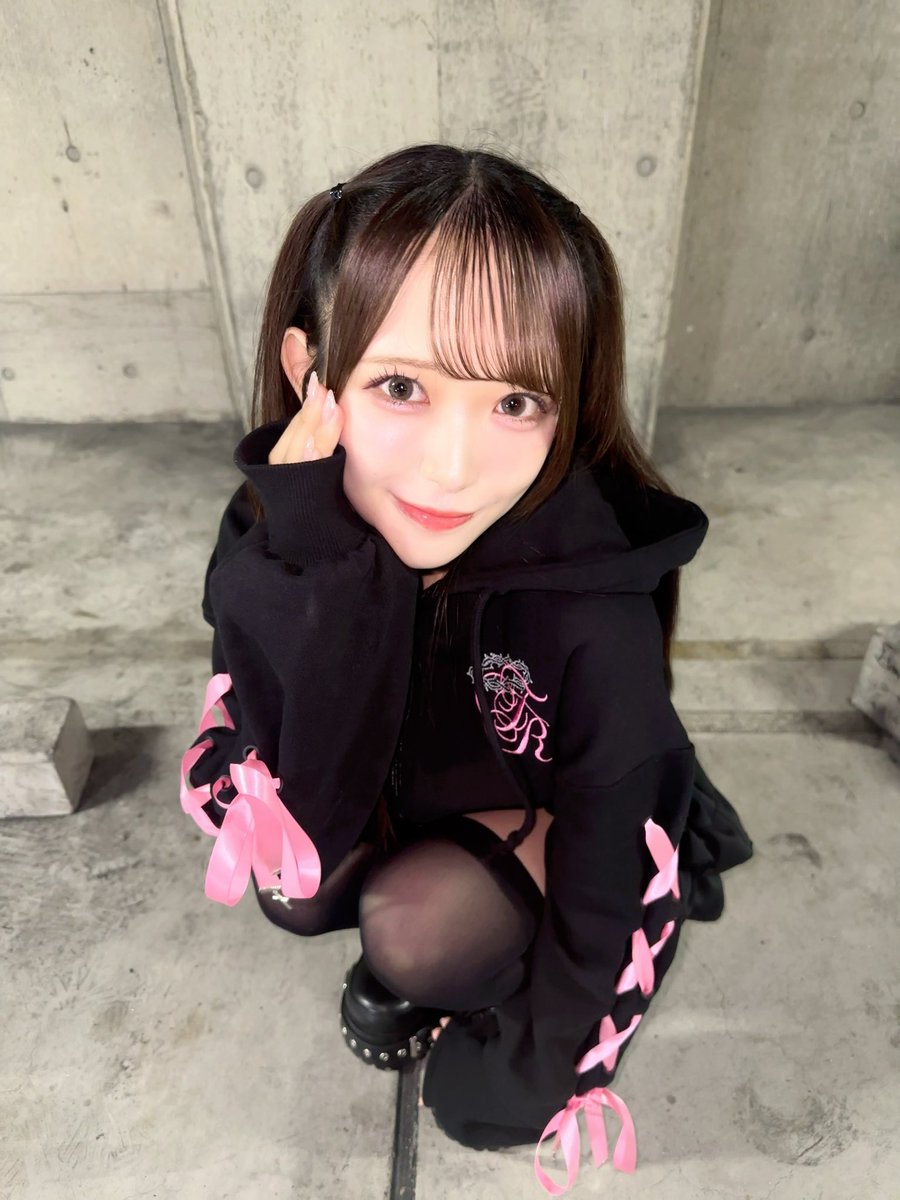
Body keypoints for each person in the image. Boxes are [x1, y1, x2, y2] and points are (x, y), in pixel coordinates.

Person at [178, 143, 753, 1195]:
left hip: (531, 819)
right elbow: (283, 789)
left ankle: (473, 946)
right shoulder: (277, 531)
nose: (453, 468)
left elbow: (617, 873)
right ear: (311, 372)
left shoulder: (592, 612)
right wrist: (315, 565)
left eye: (516, 402)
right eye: (402, 386)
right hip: (383, 791)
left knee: (420, 932)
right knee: (294, 882)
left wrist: (542, 1070)